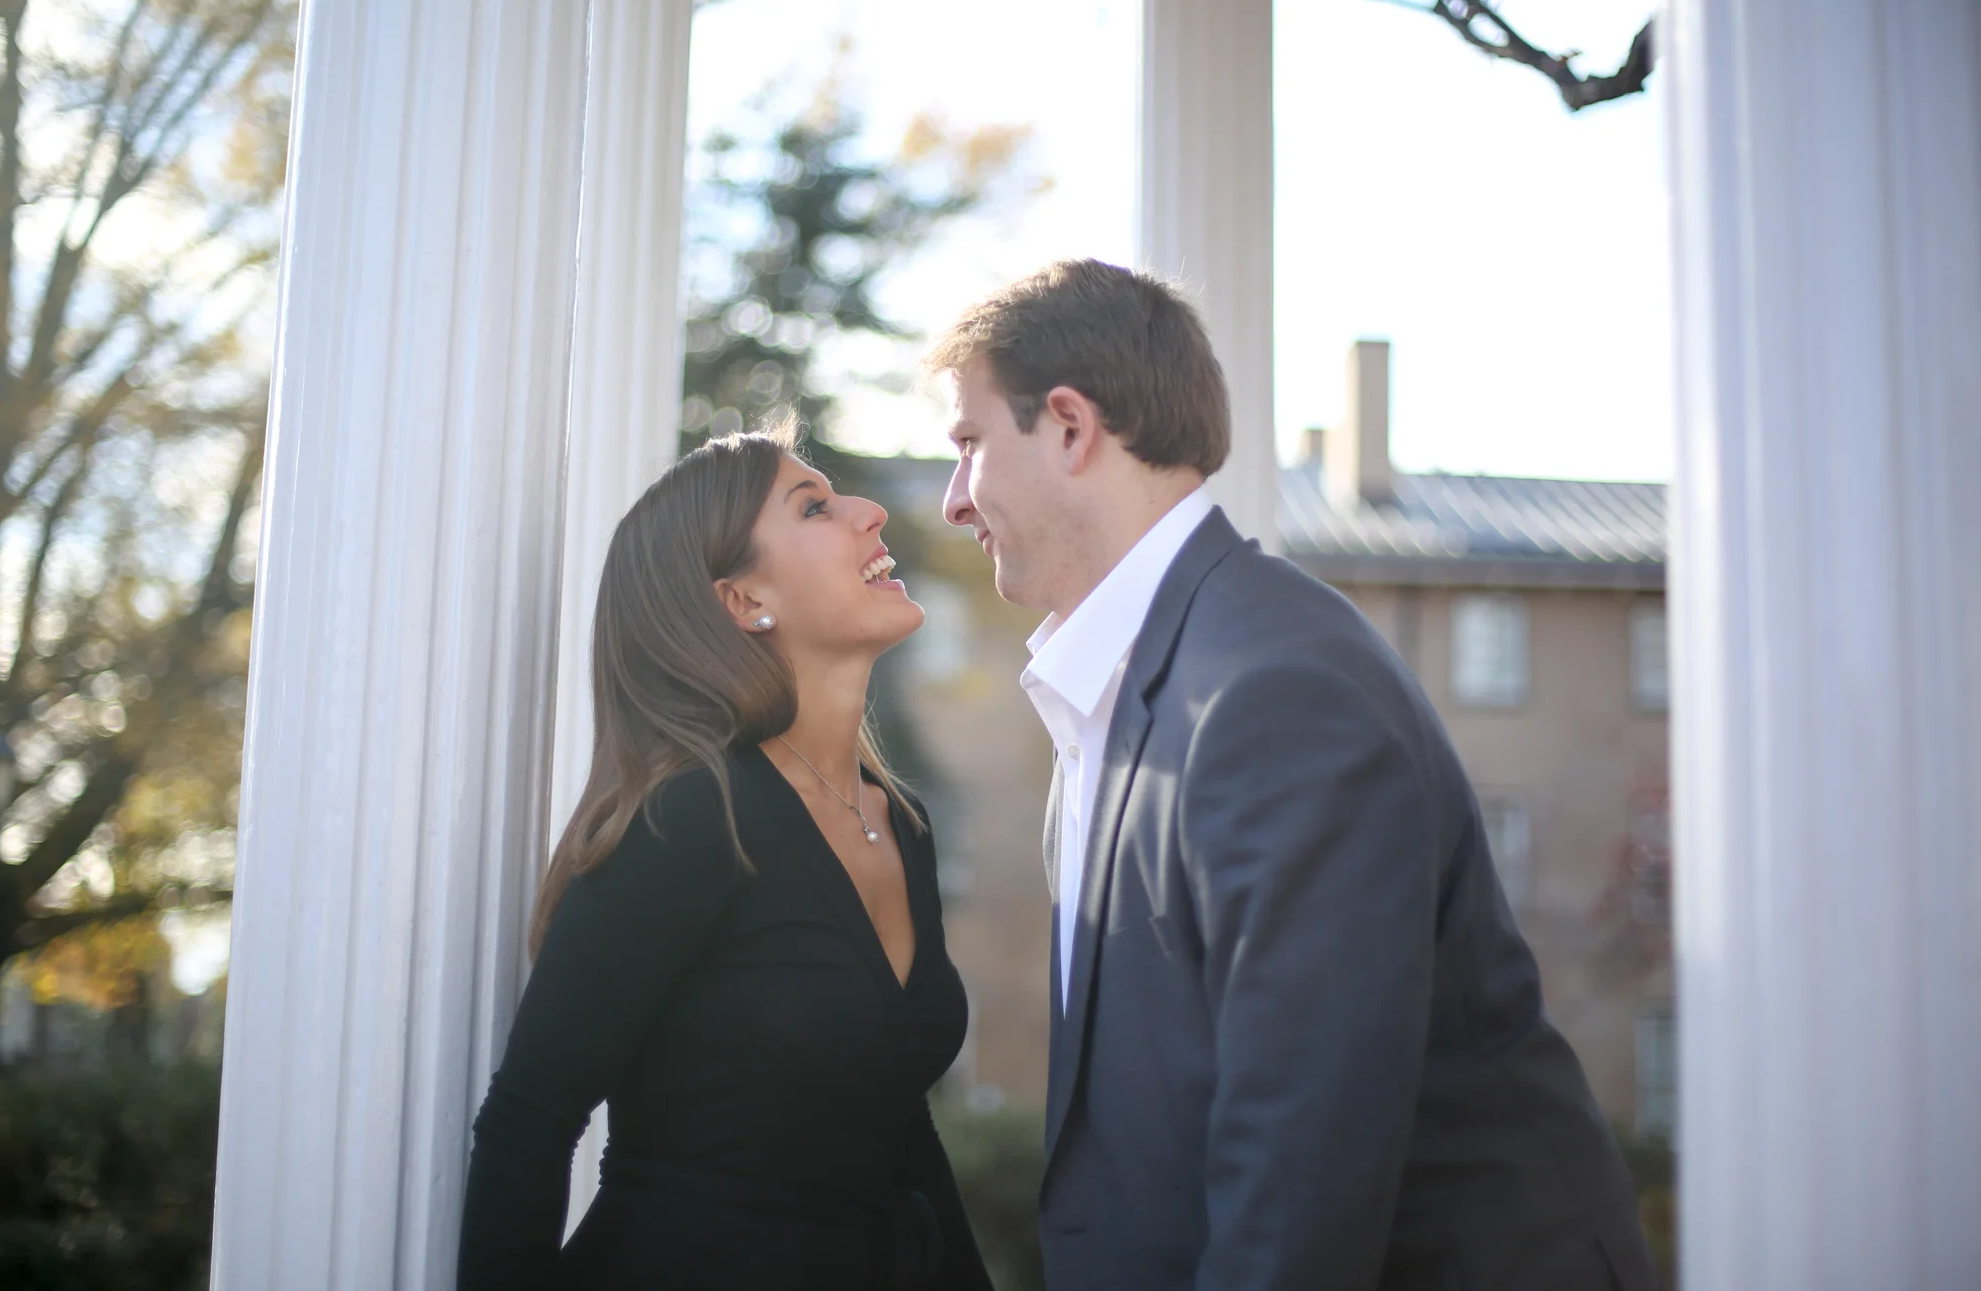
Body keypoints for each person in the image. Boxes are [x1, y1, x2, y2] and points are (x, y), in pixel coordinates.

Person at [927, 259, 1660, 1291]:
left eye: (967, 445)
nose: (953, 498)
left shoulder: (1272, 688)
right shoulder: (1120, 691)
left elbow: (1301, 1153)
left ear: (1066, 426)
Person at [457, 426, 991, 1290]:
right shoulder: (689, 820)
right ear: (743, 601)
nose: (869, 512)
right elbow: (529, 1120)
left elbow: (901, 1134)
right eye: (814, 507)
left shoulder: (902, 823)